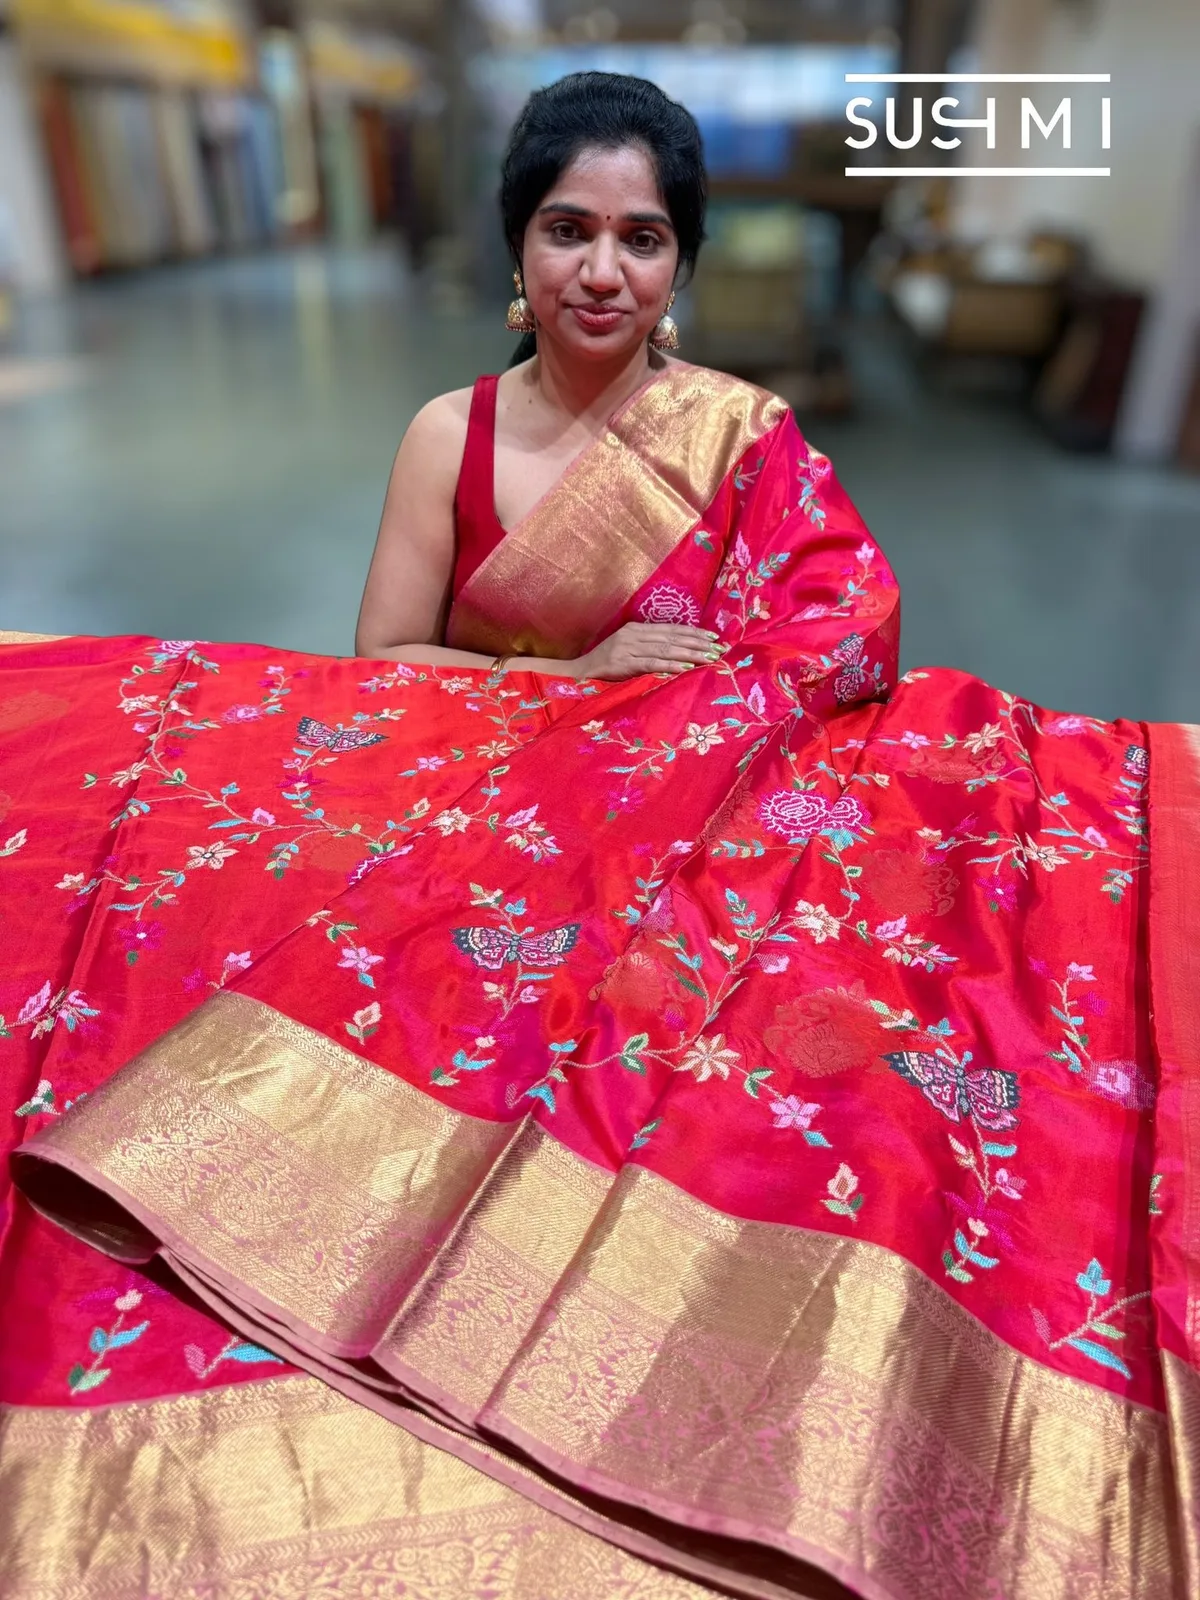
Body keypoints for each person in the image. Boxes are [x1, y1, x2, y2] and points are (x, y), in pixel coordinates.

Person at [0, 72, 1196, 1600]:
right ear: (519, 243)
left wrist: (674, 731)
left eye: (642, 237)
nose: (603, 270)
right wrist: (579, 685)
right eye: (569, 229)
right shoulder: (451, 434)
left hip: (691, 829)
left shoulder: (740, 436)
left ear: (680, 259)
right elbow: (385, 667)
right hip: (488, 809)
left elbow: (842, 630)